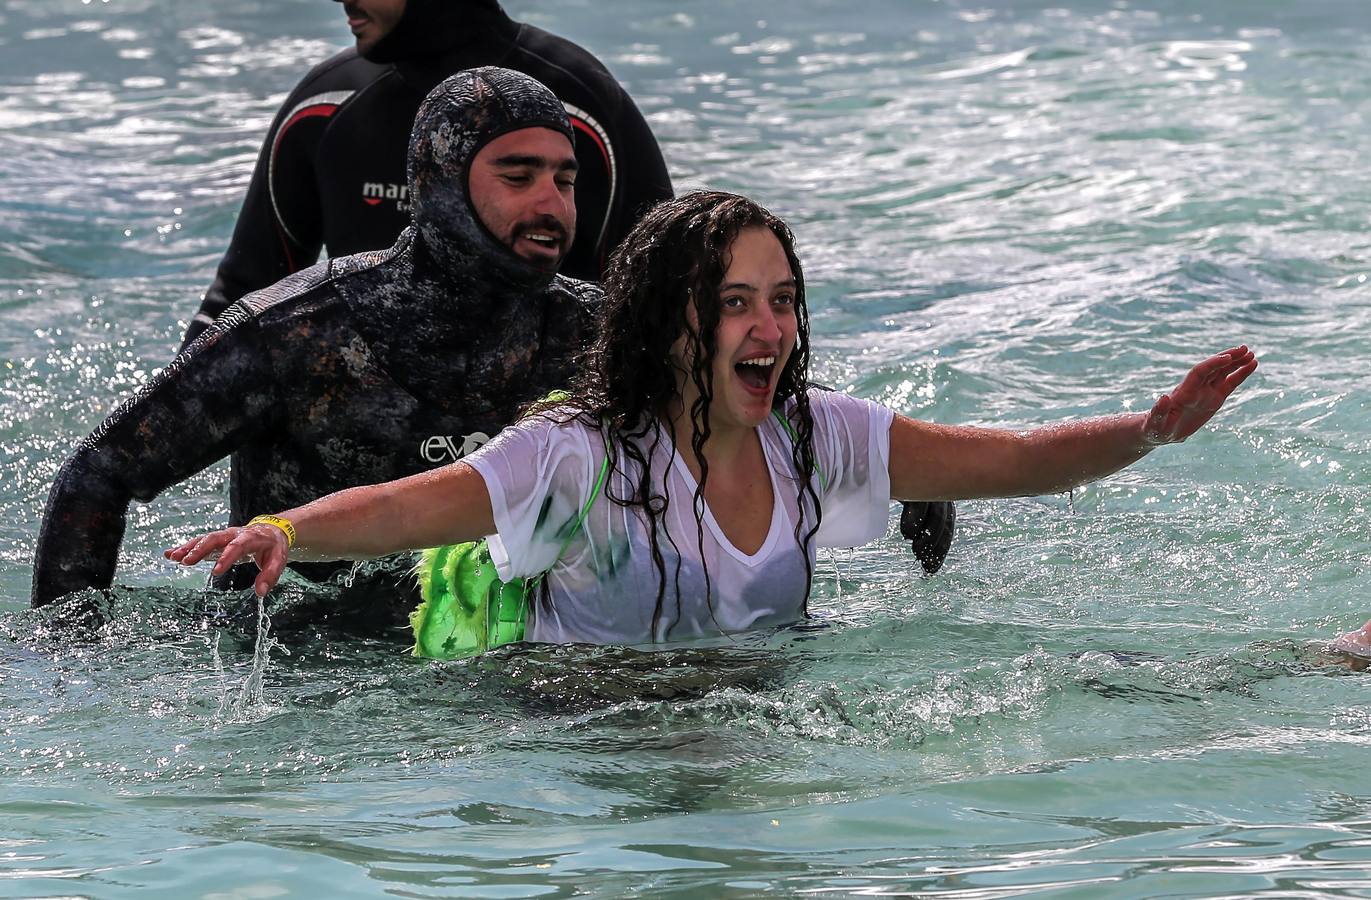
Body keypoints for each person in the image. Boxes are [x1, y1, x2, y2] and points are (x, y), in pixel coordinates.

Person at [165, 192, 1259, 647]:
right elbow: (415, 507)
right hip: (577, 733)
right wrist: (289, 530)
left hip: (749, 710)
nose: (769, 327)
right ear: (668, 320)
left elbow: (1017, 463)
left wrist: (1150, 431)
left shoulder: (813, 434)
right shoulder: (578, 453)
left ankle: (1306, 665)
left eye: (782, 301)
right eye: (735, 303)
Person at [31, 68, 597, 615]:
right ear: (442, 184)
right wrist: (71, 652)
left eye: (564, 181)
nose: (551, 204)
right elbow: (100, 471)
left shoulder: (596, 335)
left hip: (504, 671)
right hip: (296, 667)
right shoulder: (294, 331)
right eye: (518, 178)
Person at [180, 0, 673, 348]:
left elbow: (665, 304)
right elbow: (243, 299)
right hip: (366, 434)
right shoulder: (324, 109)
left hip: (541, 434)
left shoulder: (581, 110)